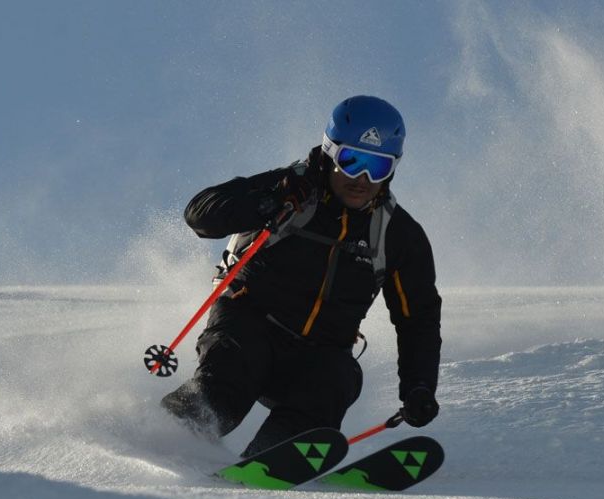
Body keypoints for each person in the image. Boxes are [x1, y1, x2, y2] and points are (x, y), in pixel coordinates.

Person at [161, 95, 441, 457]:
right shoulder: (290, 190)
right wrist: (264, 205)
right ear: (329, 153)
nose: (363, 179)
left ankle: (270, 459)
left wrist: (419, 387)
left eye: (378, 167)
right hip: (248, 326)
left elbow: (417, 316)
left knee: (338, 378)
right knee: (230, 380)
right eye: (352, 161)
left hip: (316, 355)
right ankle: (166, 440)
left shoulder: (397, 234)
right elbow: (200, 214)